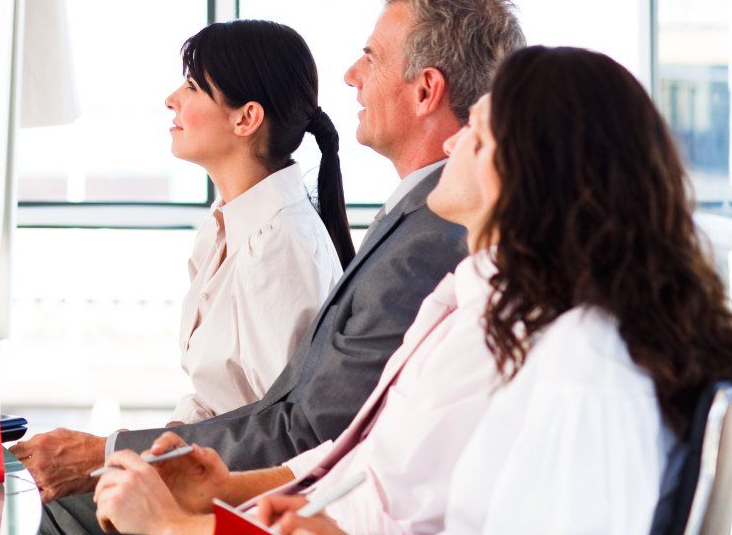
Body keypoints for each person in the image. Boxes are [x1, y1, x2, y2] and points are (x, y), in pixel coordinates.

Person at [96, 46, 732, 535]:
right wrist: (228, 490)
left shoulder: (576, 363)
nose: (451, 140)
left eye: (476, 134)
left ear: (528, 178)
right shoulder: (482, 299)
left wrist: (174, 528)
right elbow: (379, 469)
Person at [19, 0, 523, 508]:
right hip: (267, 482)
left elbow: (311, 430)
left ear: (425, 90)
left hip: (282, 495)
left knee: (65, 510)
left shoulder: (415, 243)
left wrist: (116, 455)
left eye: (371, 57)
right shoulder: (405, 223)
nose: (352, 74)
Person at [164, 20, 352, 423]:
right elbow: (220, 399)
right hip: (214, 464)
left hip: (247, 481)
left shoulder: (279, 245)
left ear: (246, 118)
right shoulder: (224, 227)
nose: (171, 99)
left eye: (193, 87)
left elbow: (285, 430)